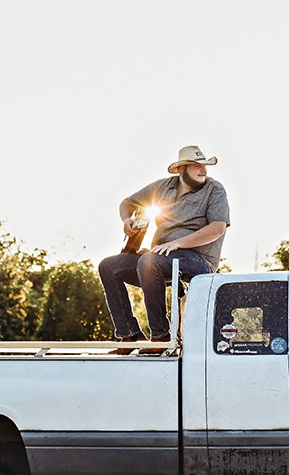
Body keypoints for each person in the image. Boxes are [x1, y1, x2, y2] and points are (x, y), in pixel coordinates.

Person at [98, 145, 230, 353]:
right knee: (108, 266)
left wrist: (177, 243)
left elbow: (217, 228)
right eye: (196, 166)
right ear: (181, 170)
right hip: (158, 259)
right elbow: (127, 203)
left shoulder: (215, 190)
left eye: (204, 165)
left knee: (149, 260)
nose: (203, 169)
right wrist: (126, 220)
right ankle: (129, 335)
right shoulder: (162, 187)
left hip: (198, 260)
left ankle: (160, 336)